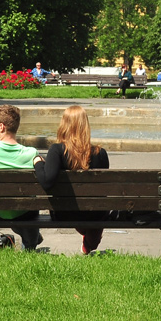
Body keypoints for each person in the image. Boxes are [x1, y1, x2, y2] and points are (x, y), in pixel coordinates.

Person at [33, 105, 111, 255]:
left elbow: (47, 182)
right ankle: (90, 240)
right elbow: (102, 189)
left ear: (64, 124)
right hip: (95, 213)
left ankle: (89, 238)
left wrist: (38, 163)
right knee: (94, 208)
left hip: (64, 213)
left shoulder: (57, 150)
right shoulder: (101, 153)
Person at [0, 105, 42, 250]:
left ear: (2, 127)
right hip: (24, 211)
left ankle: (32, 238)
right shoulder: (31, 153)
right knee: (26, 208)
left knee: (10, 206)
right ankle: (30, 244)